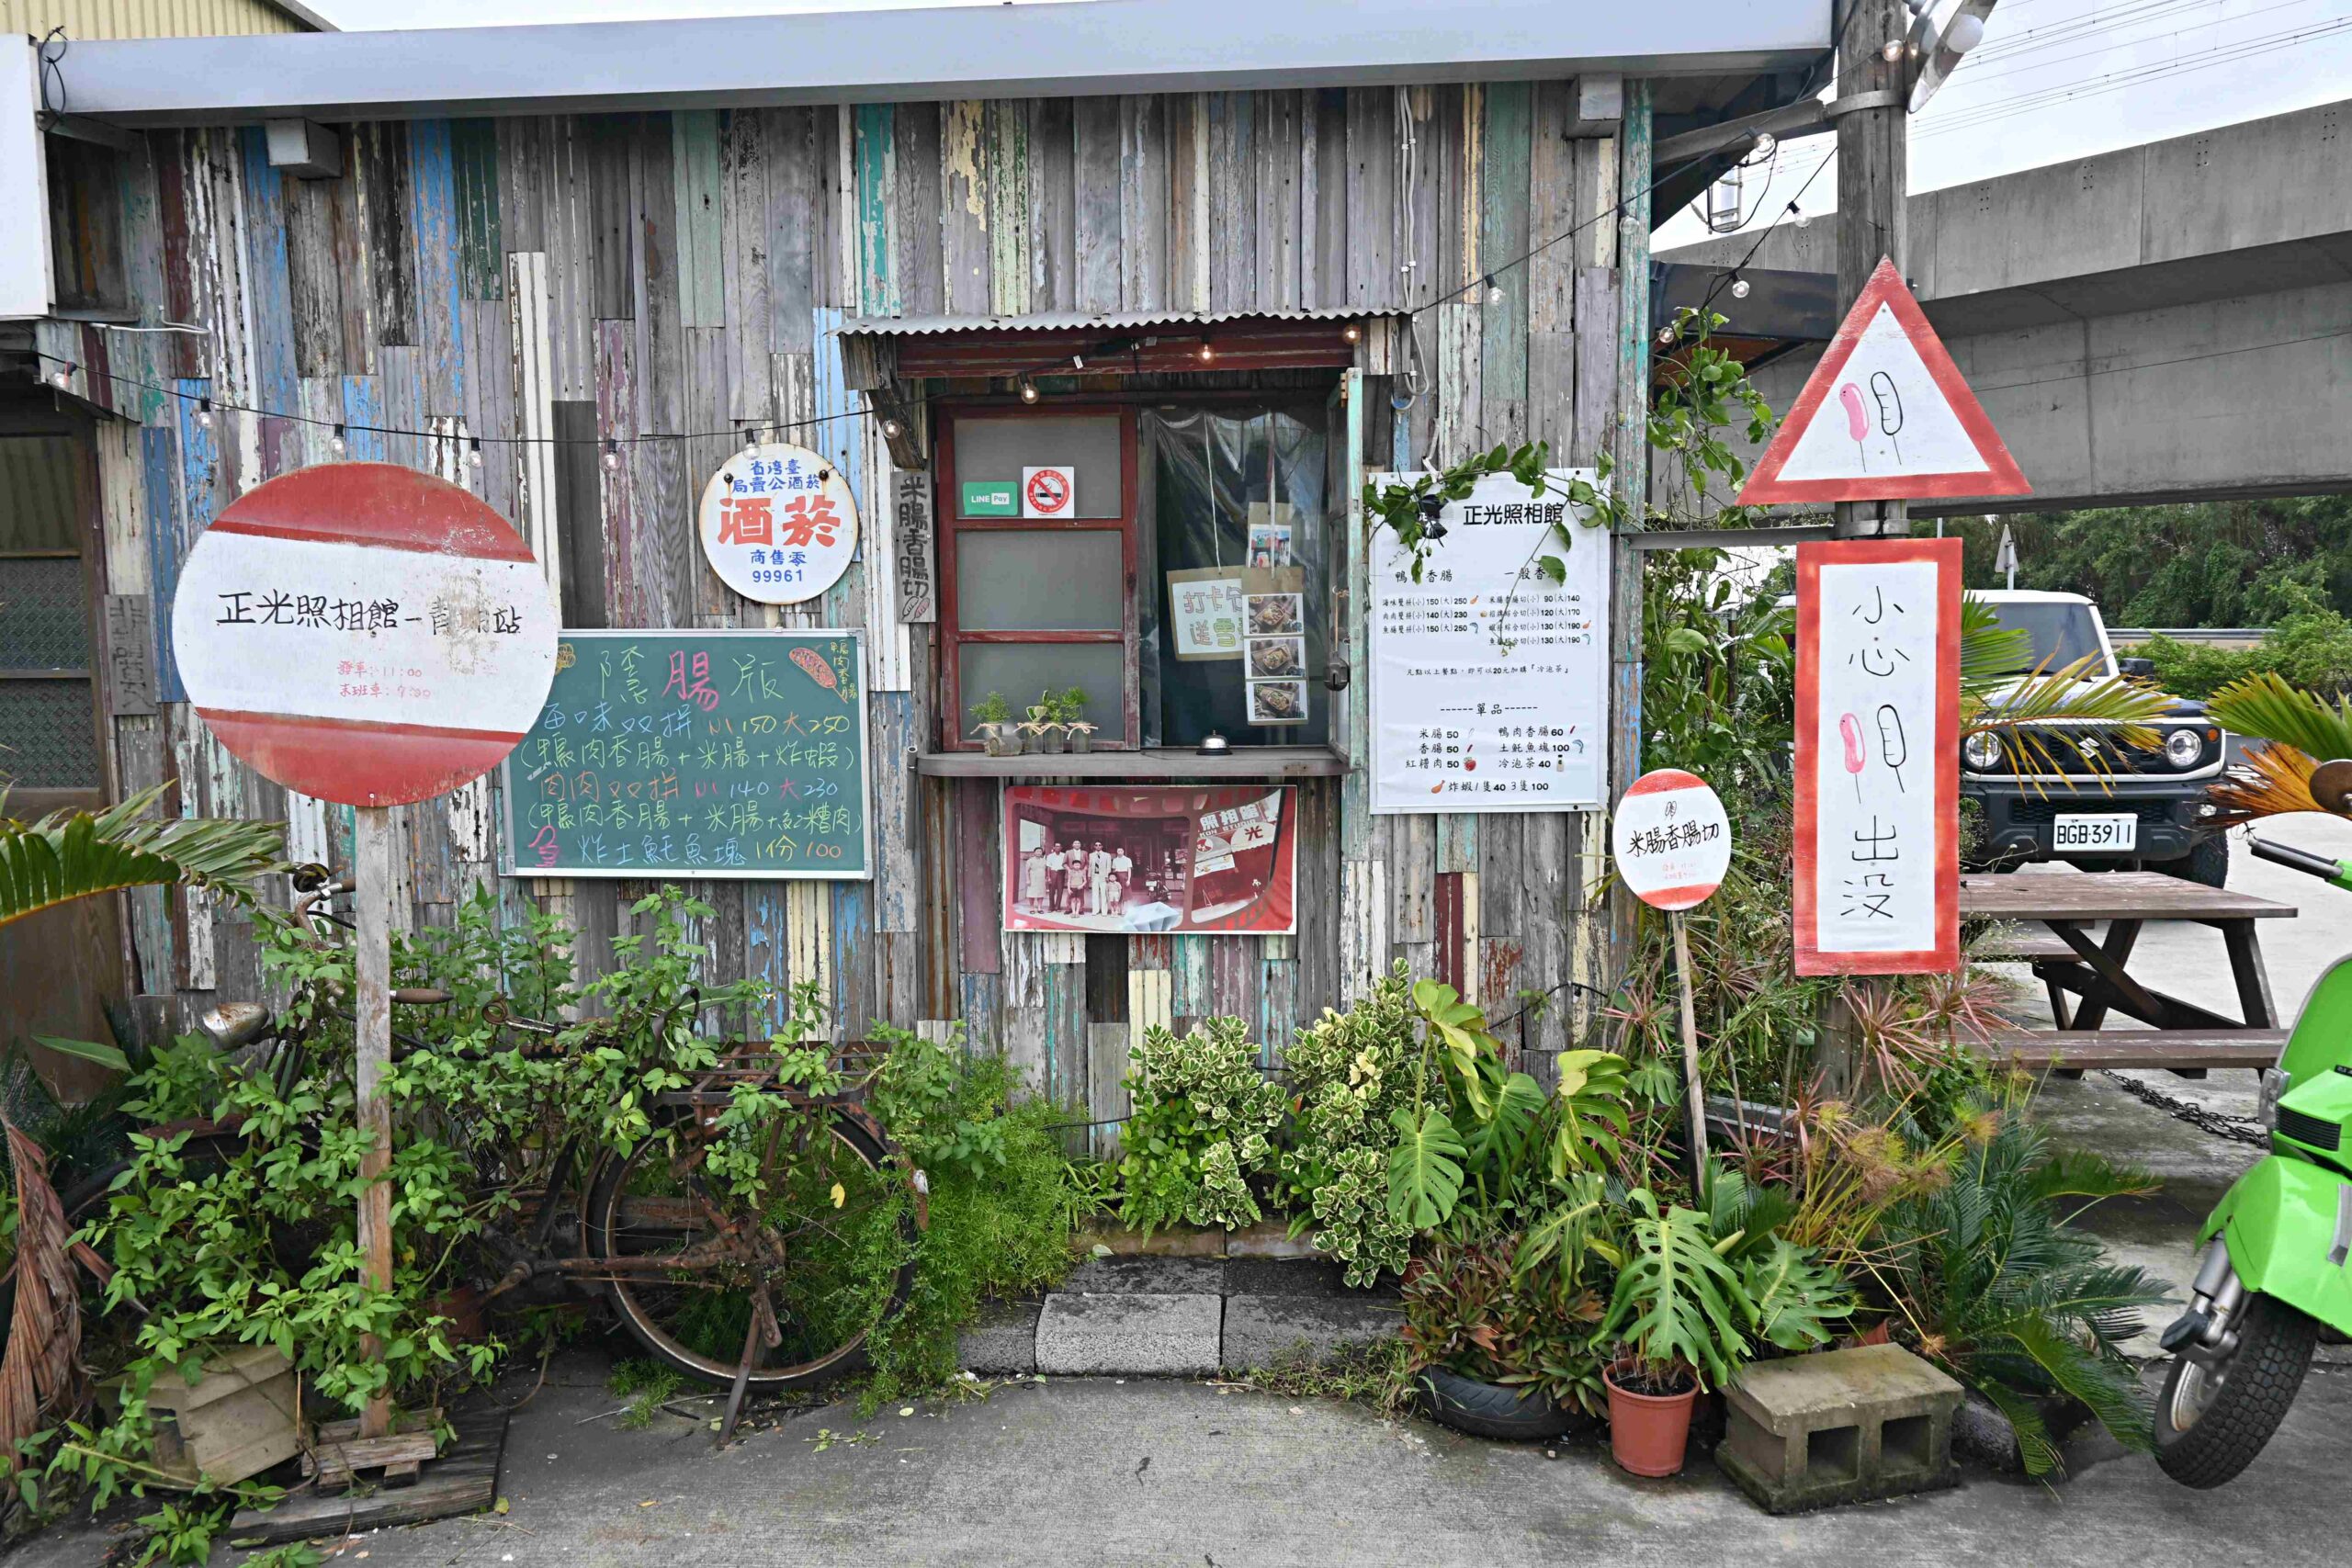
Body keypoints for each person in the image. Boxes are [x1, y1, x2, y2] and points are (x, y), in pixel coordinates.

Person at [1024, 839, 1056, 912]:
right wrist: (1028, 879)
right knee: (1031, 894)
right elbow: (1027, 871)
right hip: (1033, 878)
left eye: (1040, 852)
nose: (1039, 853)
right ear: (1034, 852)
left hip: (1041, 879)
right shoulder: (1030, 860)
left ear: (1042, 853)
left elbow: (1047, 869)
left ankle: (1039, 908)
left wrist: (1047, 878)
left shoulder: (1044, 860)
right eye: (1037, 851)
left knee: (1041, 894)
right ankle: (1032, 908)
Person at [1062, 838, 1089, 916]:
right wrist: (1069, 869)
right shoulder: (1068, 852)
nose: (1077, 844)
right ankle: (1069, 908)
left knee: (1081, 893)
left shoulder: (1084, 853)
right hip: (1072, 874)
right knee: (1070, 893)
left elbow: (1087, 863)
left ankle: (1080, 909)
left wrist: (1084, 870)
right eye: (1075, 843)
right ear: (1072, 845)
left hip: (1081, 874)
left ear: (1080, 845)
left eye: (1078, 843)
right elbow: (1064, 863)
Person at [1088, 840, 1114, 916]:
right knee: (1094, 894)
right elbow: (1090, 866)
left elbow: (1108, 866)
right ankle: (1095, 910)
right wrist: (1089, 875)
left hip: (1103, 876)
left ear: (1102, 846)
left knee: (1104, 894)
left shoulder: (1107, 855)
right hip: (1094, 876)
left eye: (1099, 845)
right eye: (1096, 845)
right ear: (1094, 846)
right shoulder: (1091, 855)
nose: (1098, 846)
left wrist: (1107, 876)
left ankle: (1104, 911)